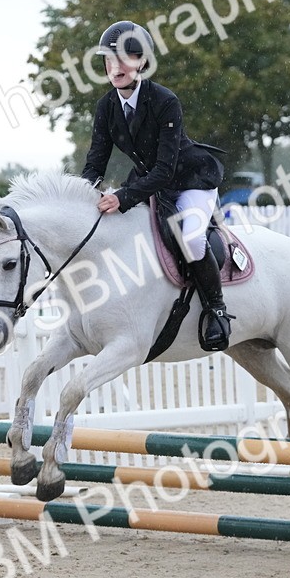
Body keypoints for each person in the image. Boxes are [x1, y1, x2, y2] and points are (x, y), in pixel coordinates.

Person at [80, 20, 232, 351]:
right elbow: (95, 163)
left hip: (191, 180)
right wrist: (80, 197)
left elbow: (165, 170)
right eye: (109, 59)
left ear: (142, 63)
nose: (114, 67)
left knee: (191, 239)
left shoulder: (164, 100)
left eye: (124, 59)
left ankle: (216, 310)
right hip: (151, 184)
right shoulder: (107, 106)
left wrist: (122, 197)